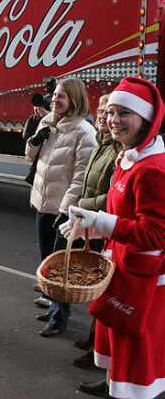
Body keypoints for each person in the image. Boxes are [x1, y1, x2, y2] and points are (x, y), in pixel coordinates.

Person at [61, 77, 165, 399]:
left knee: (133, 346)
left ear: (145, 121)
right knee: (114, 333)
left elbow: (155, 233)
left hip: (142, 276)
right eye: (111, 113)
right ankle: (110, 385)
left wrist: (101, 222)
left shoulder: (152, 170)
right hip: (120, 262)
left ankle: (124, 391)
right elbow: (122, 215)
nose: (113, 121)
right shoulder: (127, 156)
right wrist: (88, 227)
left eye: (124, 114)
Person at [51, 95, 117, 371]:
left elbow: (110, 197)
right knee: (102, 291)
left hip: (100, 224)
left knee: (104, 290)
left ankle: (98, 352)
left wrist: (83, 208)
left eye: (110, 113)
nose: (103, 117)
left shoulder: (115, 151)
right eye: (102, 111)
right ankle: (93, 341)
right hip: (92, 221)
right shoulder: (102, 145)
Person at [25, 77, 96, 335]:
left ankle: (60, 319)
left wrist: (66, 210)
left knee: (60, 267)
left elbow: (81, 177)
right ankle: (55, 307)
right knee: (47, 262)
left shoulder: (84, 132)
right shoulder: (48, 123)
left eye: (61, 96)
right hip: (43, 203)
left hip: (63, 211)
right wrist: (35, 139)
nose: (54, 99)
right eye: (54, 95)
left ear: (74, 100)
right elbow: (31, 157)